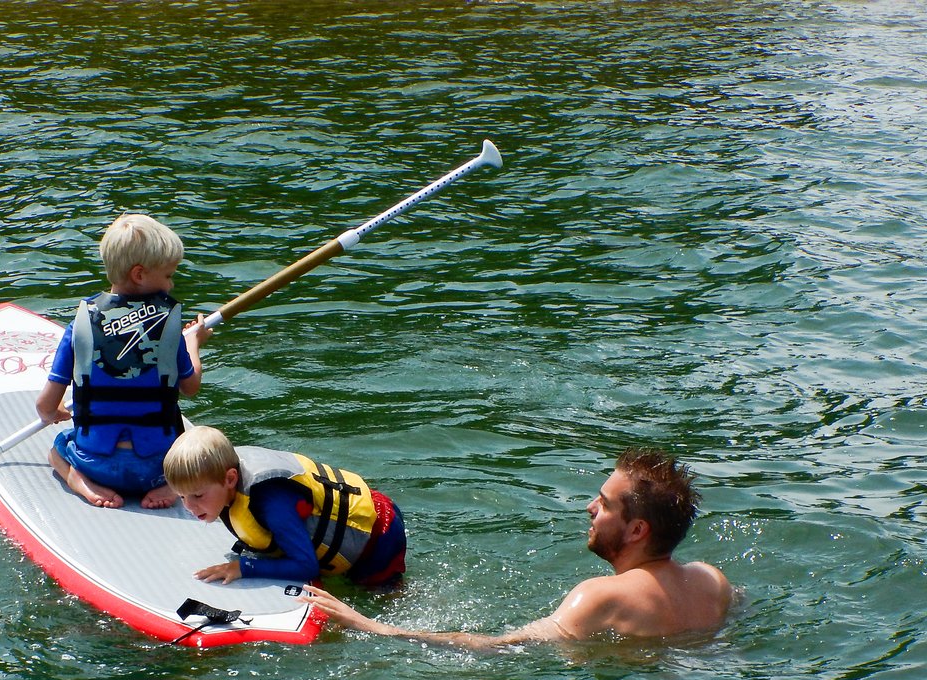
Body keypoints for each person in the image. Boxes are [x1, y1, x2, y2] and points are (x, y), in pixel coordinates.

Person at [303, 448, 733, 649]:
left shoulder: (601, 595)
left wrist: (373, 626)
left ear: (637, 530)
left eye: (603, 504)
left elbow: (502, 646)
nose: (589, 507)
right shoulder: (711, 581)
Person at [35, 214, 211, 509]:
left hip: (96, 464)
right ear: (140, 274)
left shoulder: (79, 326)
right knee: (192, 448)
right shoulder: (168, 327)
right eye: (168, 275)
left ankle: (77, 479)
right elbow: (190, 386)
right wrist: (193, 342)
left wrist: (58, 412)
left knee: (57, 450)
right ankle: (172, 485)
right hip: (159, 468)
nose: (170, 285)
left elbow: (44, 407)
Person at [162, 425, 407, 588]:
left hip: (377, 535)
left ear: (230, 478)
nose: (189, 507)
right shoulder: (219, 479)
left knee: (381, 596)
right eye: (181, 497)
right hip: (353, 528)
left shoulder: (270, 502)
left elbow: (306, 566)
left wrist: (243, 568)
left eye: (197, 496)